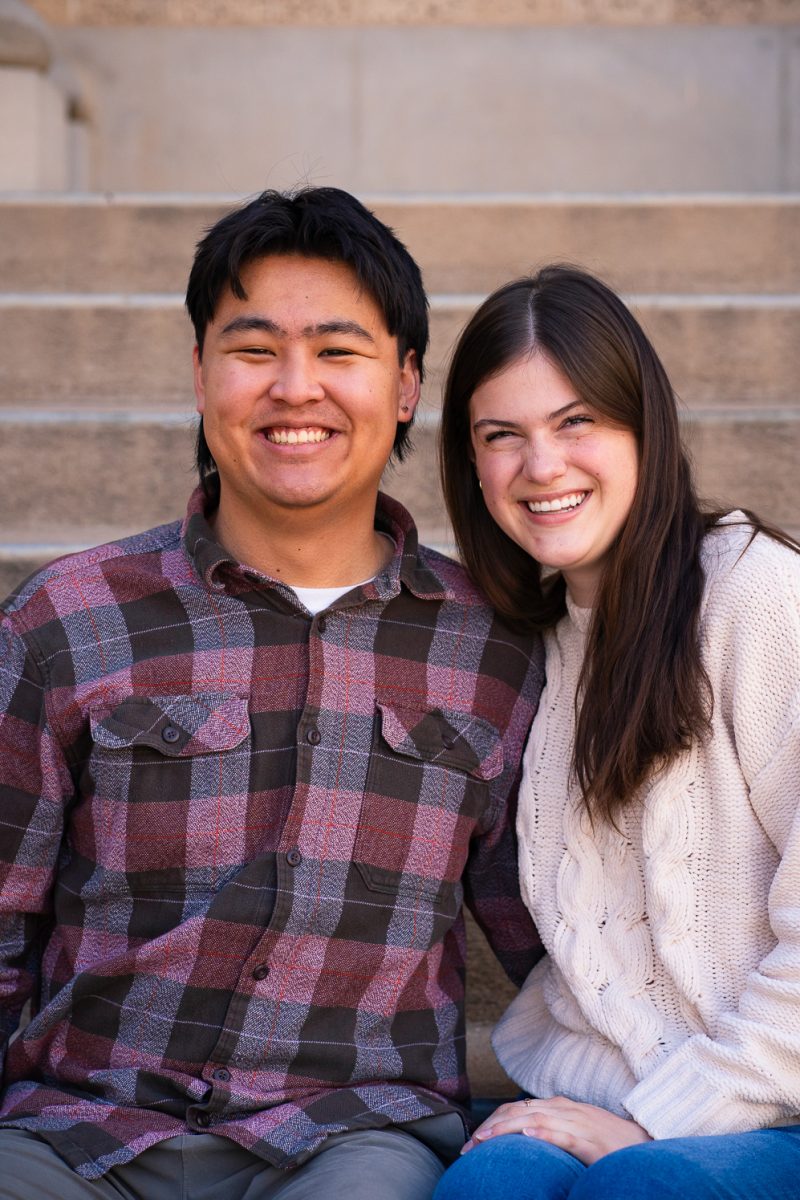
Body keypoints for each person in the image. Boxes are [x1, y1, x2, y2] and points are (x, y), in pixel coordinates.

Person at [0, 188, 545, 1200]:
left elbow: (553, 946)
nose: (295, 388)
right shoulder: (66, 620)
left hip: (350, 1137)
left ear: (407, 383)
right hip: (75, 1131)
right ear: (200, 375)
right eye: (254, 349)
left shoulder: (493, 653)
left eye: (338, 351)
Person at [432, 265, 800, 1200]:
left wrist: (657, 1120)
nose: (541, 466)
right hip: (591, 1084)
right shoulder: (534, 644)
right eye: (501, 436)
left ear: (646, 425)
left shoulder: (754, 597)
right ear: (471, 467)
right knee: (486, 1192)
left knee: (641, 1192)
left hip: (771, 1101)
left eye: (576, 422)